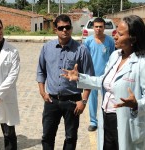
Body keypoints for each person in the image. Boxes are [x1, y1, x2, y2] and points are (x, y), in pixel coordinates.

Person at [61, 15, 145, 150]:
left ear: (133, 38)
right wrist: (80, 78)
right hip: (107, 118)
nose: (115, 36)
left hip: (127, 121)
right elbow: (103, 81)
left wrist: (137, 104)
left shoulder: (141, 63)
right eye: (116, 32)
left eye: (120, 34)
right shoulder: (115, 56)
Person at [36, 14, 94, 150]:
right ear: (55, 29)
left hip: (73, 101)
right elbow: (41, 72)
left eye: (67, 27)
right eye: (61, 28)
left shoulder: (81, 50)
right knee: (47, 136)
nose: (64, 31)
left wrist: (83, 101)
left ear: (71, 28)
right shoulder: (46, 48)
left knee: (70, 137)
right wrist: (42, 92)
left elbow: (89, 77)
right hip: (51, 100)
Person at [84, 17, 115, 131]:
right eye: (96, 27)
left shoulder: (110, 41)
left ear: (104, 27)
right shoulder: (88, 41)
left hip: (106, 76)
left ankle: (105, 121)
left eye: (100, 27)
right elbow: (84, 58)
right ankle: (93, 122)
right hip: (91, 75)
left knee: (106, 100)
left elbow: (113, 58)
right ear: (93, 27)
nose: (98, 29)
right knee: (92, 100)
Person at [0, 16, 20, 150]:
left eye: (0, 28)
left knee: (9, 133)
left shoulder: (13, 51)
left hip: (4, 98)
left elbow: (13, 76)